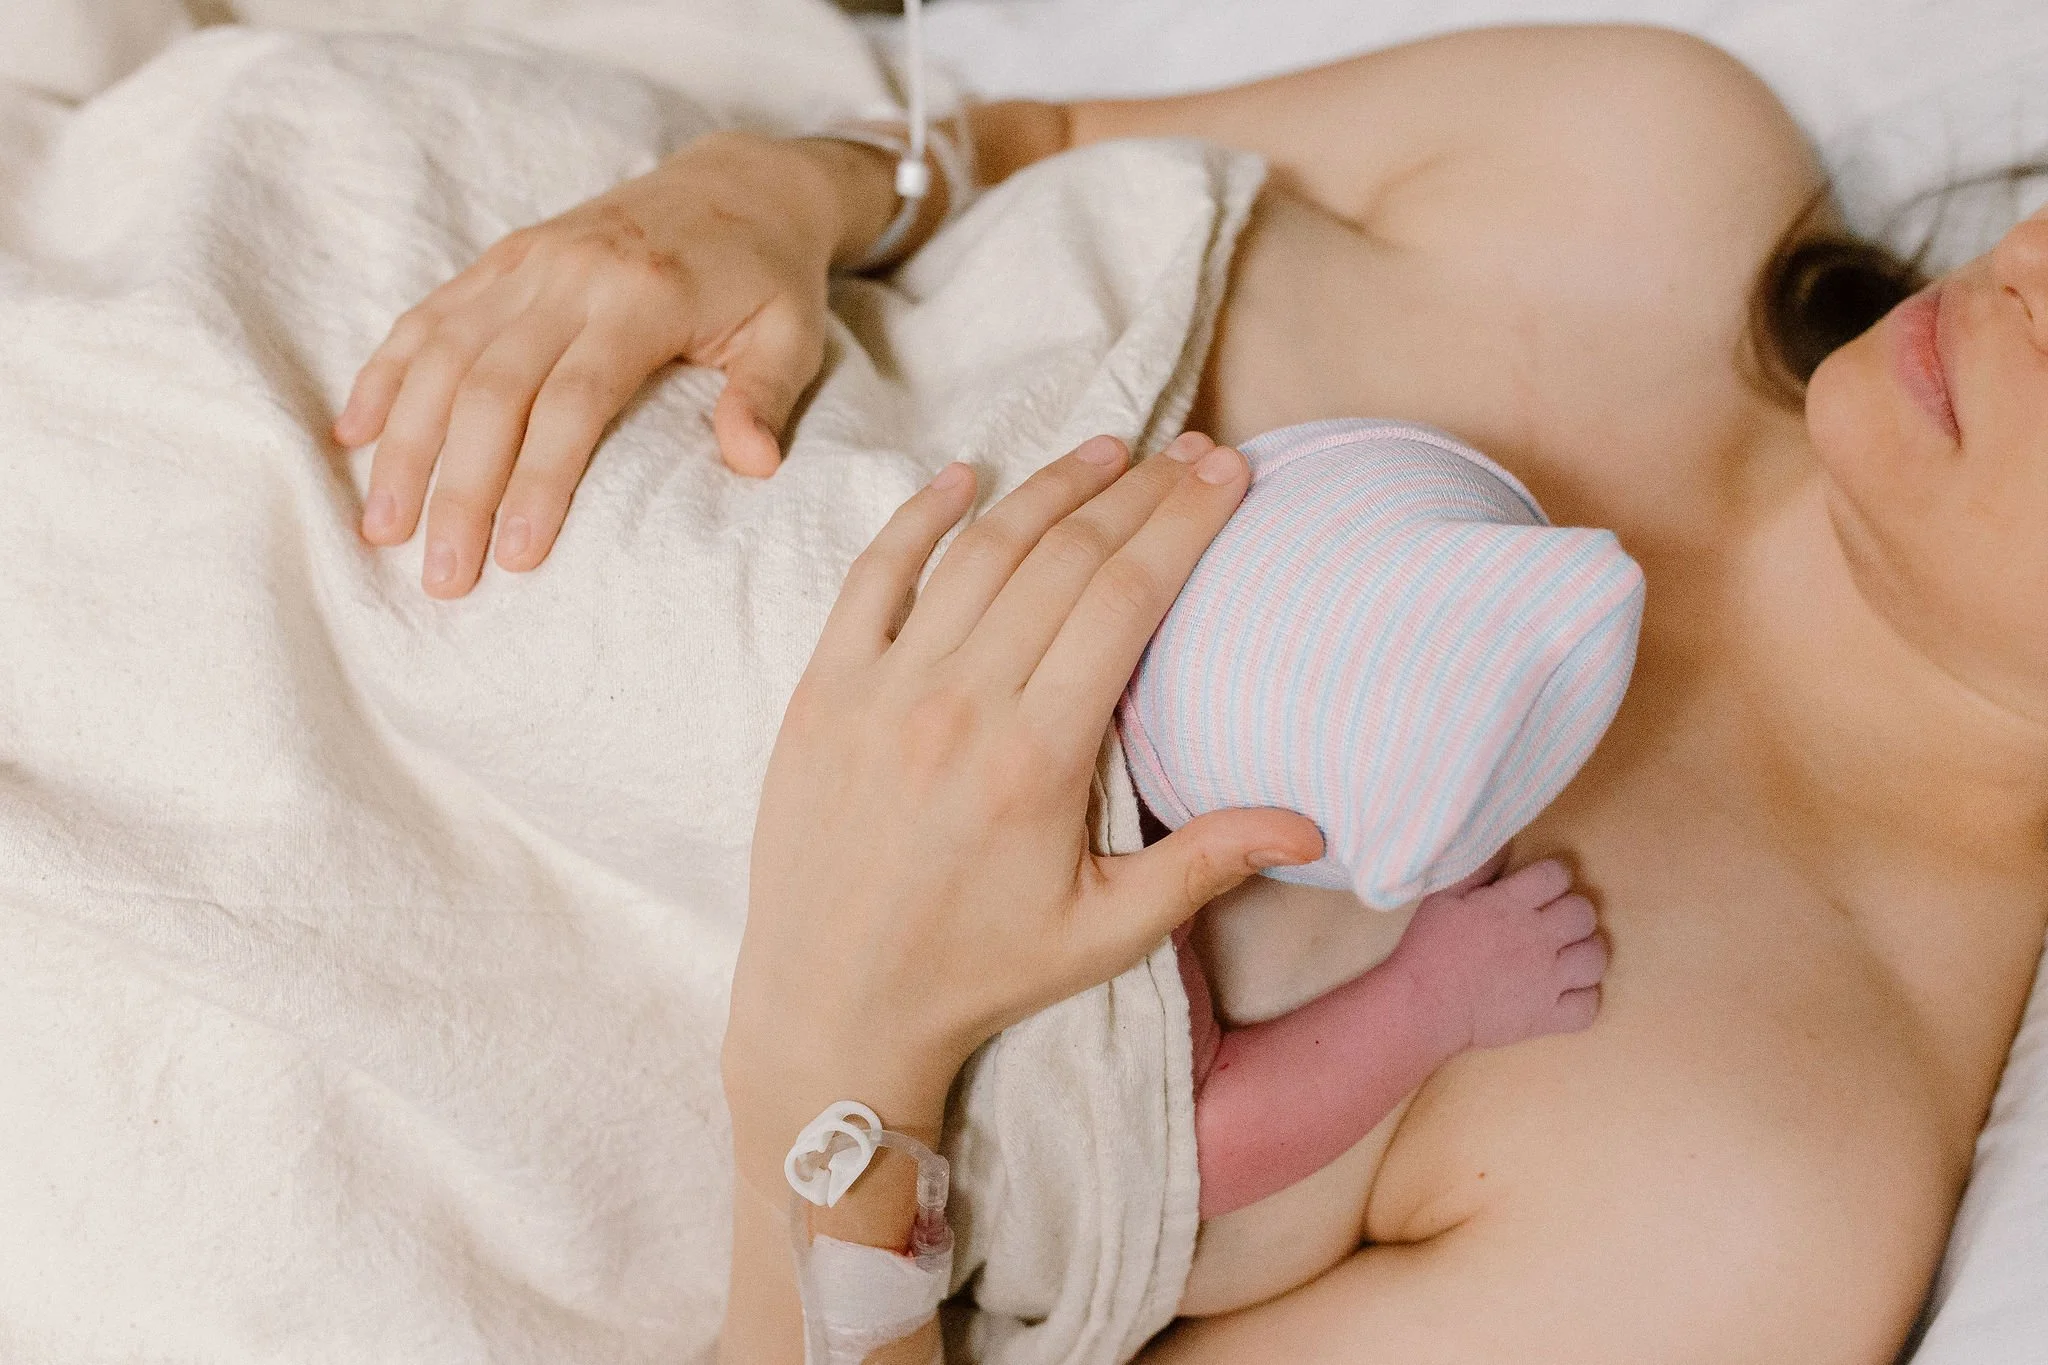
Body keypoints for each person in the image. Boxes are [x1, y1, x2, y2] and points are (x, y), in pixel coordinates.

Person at [337, 21, 2048, 1364]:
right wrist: (767, 194)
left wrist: (838, 1056)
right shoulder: (1647, 158)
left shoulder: (1750, 1205)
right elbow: (1027, 149)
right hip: (376, 357)